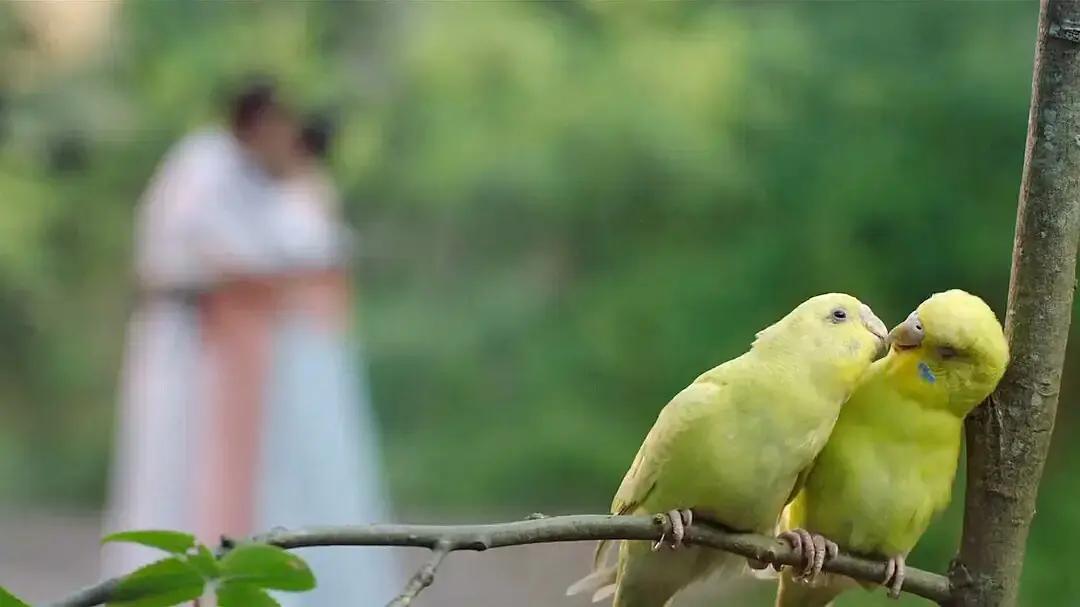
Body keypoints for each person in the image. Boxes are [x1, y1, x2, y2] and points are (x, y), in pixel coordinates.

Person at [103, 84, 399, 603]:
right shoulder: (206, 164)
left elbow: (300, 261)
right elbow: (191, 259)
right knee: (176, 478)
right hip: (193, 350)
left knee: (282, 479)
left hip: (259, 352)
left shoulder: (283, 182)